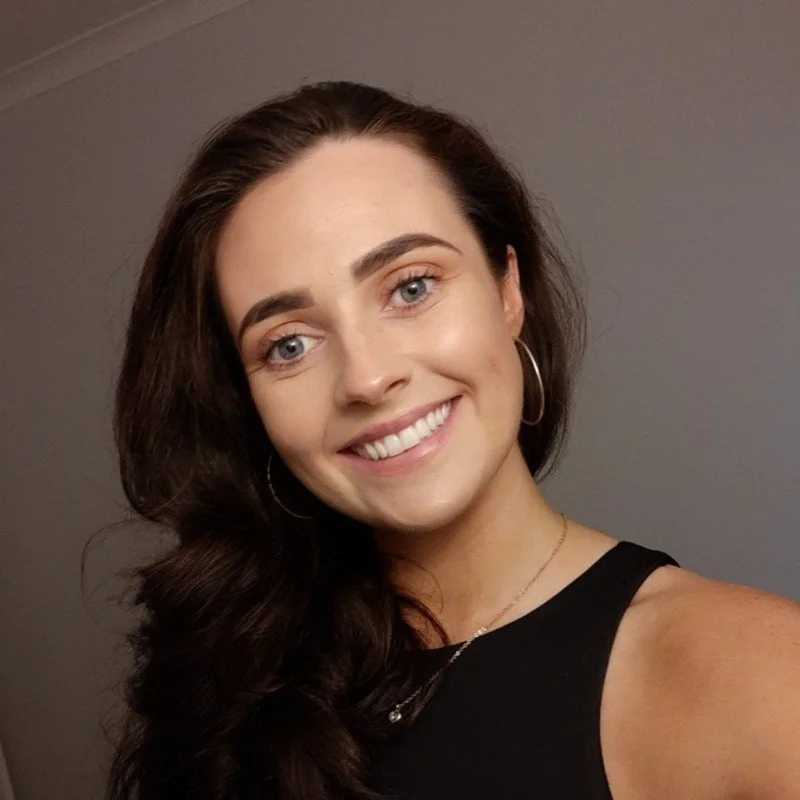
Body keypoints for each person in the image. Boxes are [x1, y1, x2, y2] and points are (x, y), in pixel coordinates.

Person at [105, 80, 800, 799]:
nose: (368, 379)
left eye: (410, 287)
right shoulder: (244, 673)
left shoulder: (754, 672)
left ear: (508, 290)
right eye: (288, 344)